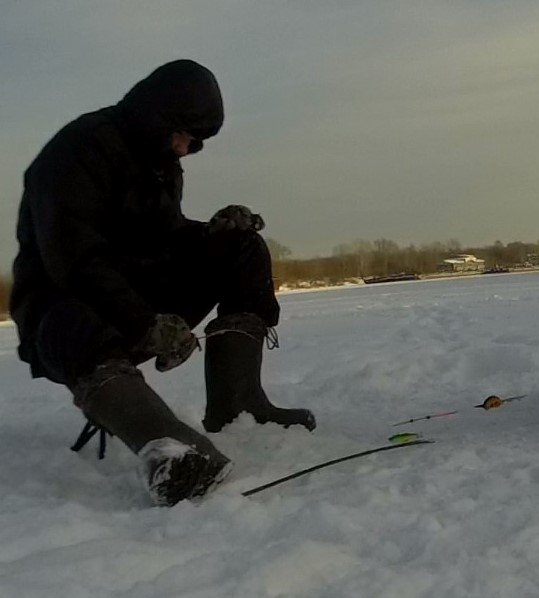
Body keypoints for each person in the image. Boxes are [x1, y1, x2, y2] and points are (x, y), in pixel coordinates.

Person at [10, 60, 314, 506]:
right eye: (187, 136)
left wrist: (212, 234)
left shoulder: (160, 163)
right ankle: (169, 452)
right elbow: (76, 261)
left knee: (243, 247)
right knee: (71, 317)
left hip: (136, 298)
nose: (188, 149)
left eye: (198, 143)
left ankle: (237, 405)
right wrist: (142, 323)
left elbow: (163, 237)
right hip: (64, 313)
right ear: (158, 117)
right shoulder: (76, 152)